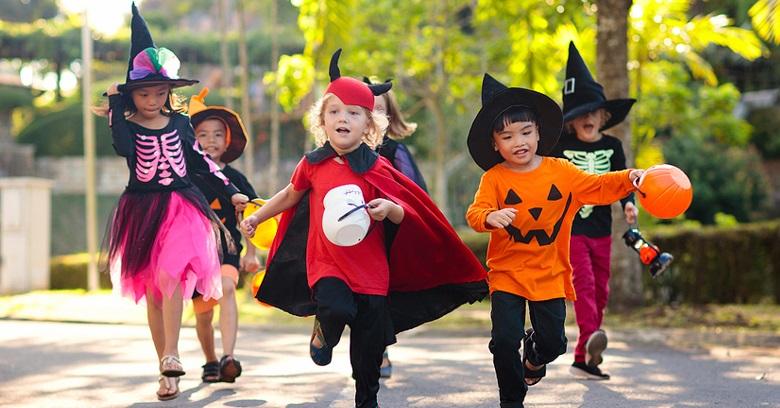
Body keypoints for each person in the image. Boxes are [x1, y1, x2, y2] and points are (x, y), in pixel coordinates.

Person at [241, 49, 487, 408]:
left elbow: (410, 214)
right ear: (321, 121)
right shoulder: (312, 165)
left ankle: (365, 399)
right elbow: (290, 196)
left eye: (353, 113)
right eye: (334, 112)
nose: (343, 118)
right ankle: (324, 333)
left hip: (373, 273)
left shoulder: (378, 168)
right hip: (327, 264)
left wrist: (389, 209)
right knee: (335, 307)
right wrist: (258, 216)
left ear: (369, 126)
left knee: (370, 346)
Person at [465, 73, 643, 408]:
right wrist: (490, 217)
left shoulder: (561, 171)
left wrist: (631, 178)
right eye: (507, 136)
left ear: (539, 132)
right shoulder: (495, 178)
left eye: (526, 132)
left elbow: (599, 186)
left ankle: (534, 358)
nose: (519, 141)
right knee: (503, 341)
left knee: (554, 344)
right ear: (495, 144)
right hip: (507, 274)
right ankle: (511, 401)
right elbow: (475, 213)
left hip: (549, 274)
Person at [100, 3, 247, 401]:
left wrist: (229, 189)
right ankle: (166, 372)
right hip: (141, 209)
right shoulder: (128, 125)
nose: (151, 99)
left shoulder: (182, 124)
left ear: (169, 92)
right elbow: (121, 148)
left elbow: (201, 161)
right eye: (144, 92)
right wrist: (115, 104)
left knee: (170, 279)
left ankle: (172, 353)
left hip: (182, 206)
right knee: (152, 291)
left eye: (159, 92)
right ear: (133, 95)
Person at [550, 42, 638, 381]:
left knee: (602, 289)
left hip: (601, 229)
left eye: (593, 112)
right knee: (583, 286)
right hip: (570, 229)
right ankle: (589, 341)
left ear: (604, 116)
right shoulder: (561, 146)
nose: (587, 118)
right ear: (571, 121)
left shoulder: (612, 147)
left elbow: (622, 182)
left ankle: (583, 356)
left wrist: (629, 205)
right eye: (580, 114)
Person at [188, 88, 260, 383]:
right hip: (195, 254)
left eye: (218, 134)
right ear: (192, 140)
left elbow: (252, 215)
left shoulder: (237, 179)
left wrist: (252, 253)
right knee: (203, 314)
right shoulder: (188, 178)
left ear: (228, 139)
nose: (211, 141)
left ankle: (229, 356)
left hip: (228, 250)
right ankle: (210, 361)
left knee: (227, 289)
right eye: (203, 135)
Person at [363, 77, 428, 378]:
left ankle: (379, 350)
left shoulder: (395, 152)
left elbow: (415, 194)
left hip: (385, 234)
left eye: (381, 111)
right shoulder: (335, 152)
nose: (374, 117)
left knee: (378, 296)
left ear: (389, 118)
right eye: (367, 109)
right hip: (346, 235)